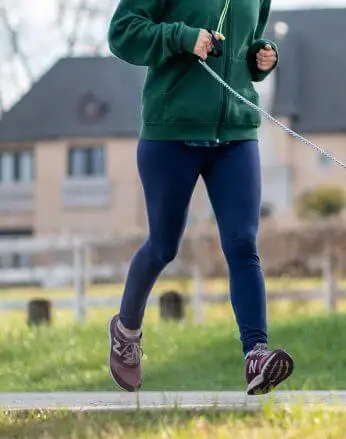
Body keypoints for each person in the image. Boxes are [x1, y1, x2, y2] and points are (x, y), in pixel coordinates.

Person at [105, 0, 294, 395]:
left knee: (243, 243)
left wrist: (261, 59)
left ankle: (256, 354)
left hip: (236, 135)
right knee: (163, 246)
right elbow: (122, 32)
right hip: (170, 131)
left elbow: (244, 47)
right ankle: (126, 331)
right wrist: (182, 37)